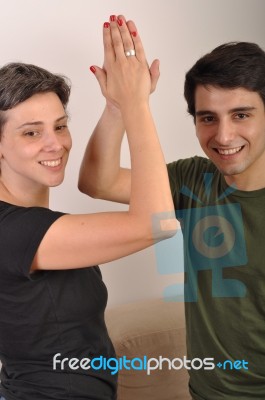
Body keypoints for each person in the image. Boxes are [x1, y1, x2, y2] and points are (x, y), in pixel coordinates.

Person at [79, 22, 265, 400]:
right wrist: (119, 105)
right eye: (207, 118)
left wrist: (136, 106)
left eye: (241, 115)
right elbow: (98, 181)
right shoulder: (193, 181)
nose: (224, 137)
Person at [0, 15, 176, 400]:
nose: (55, 144)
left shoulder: (31, 224)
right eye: (32, 132)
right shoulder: (12, 232)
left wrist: (114, 106)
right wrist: (136, 105)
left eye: (60, 126)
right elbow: (157, 223)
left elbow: (95, 180)